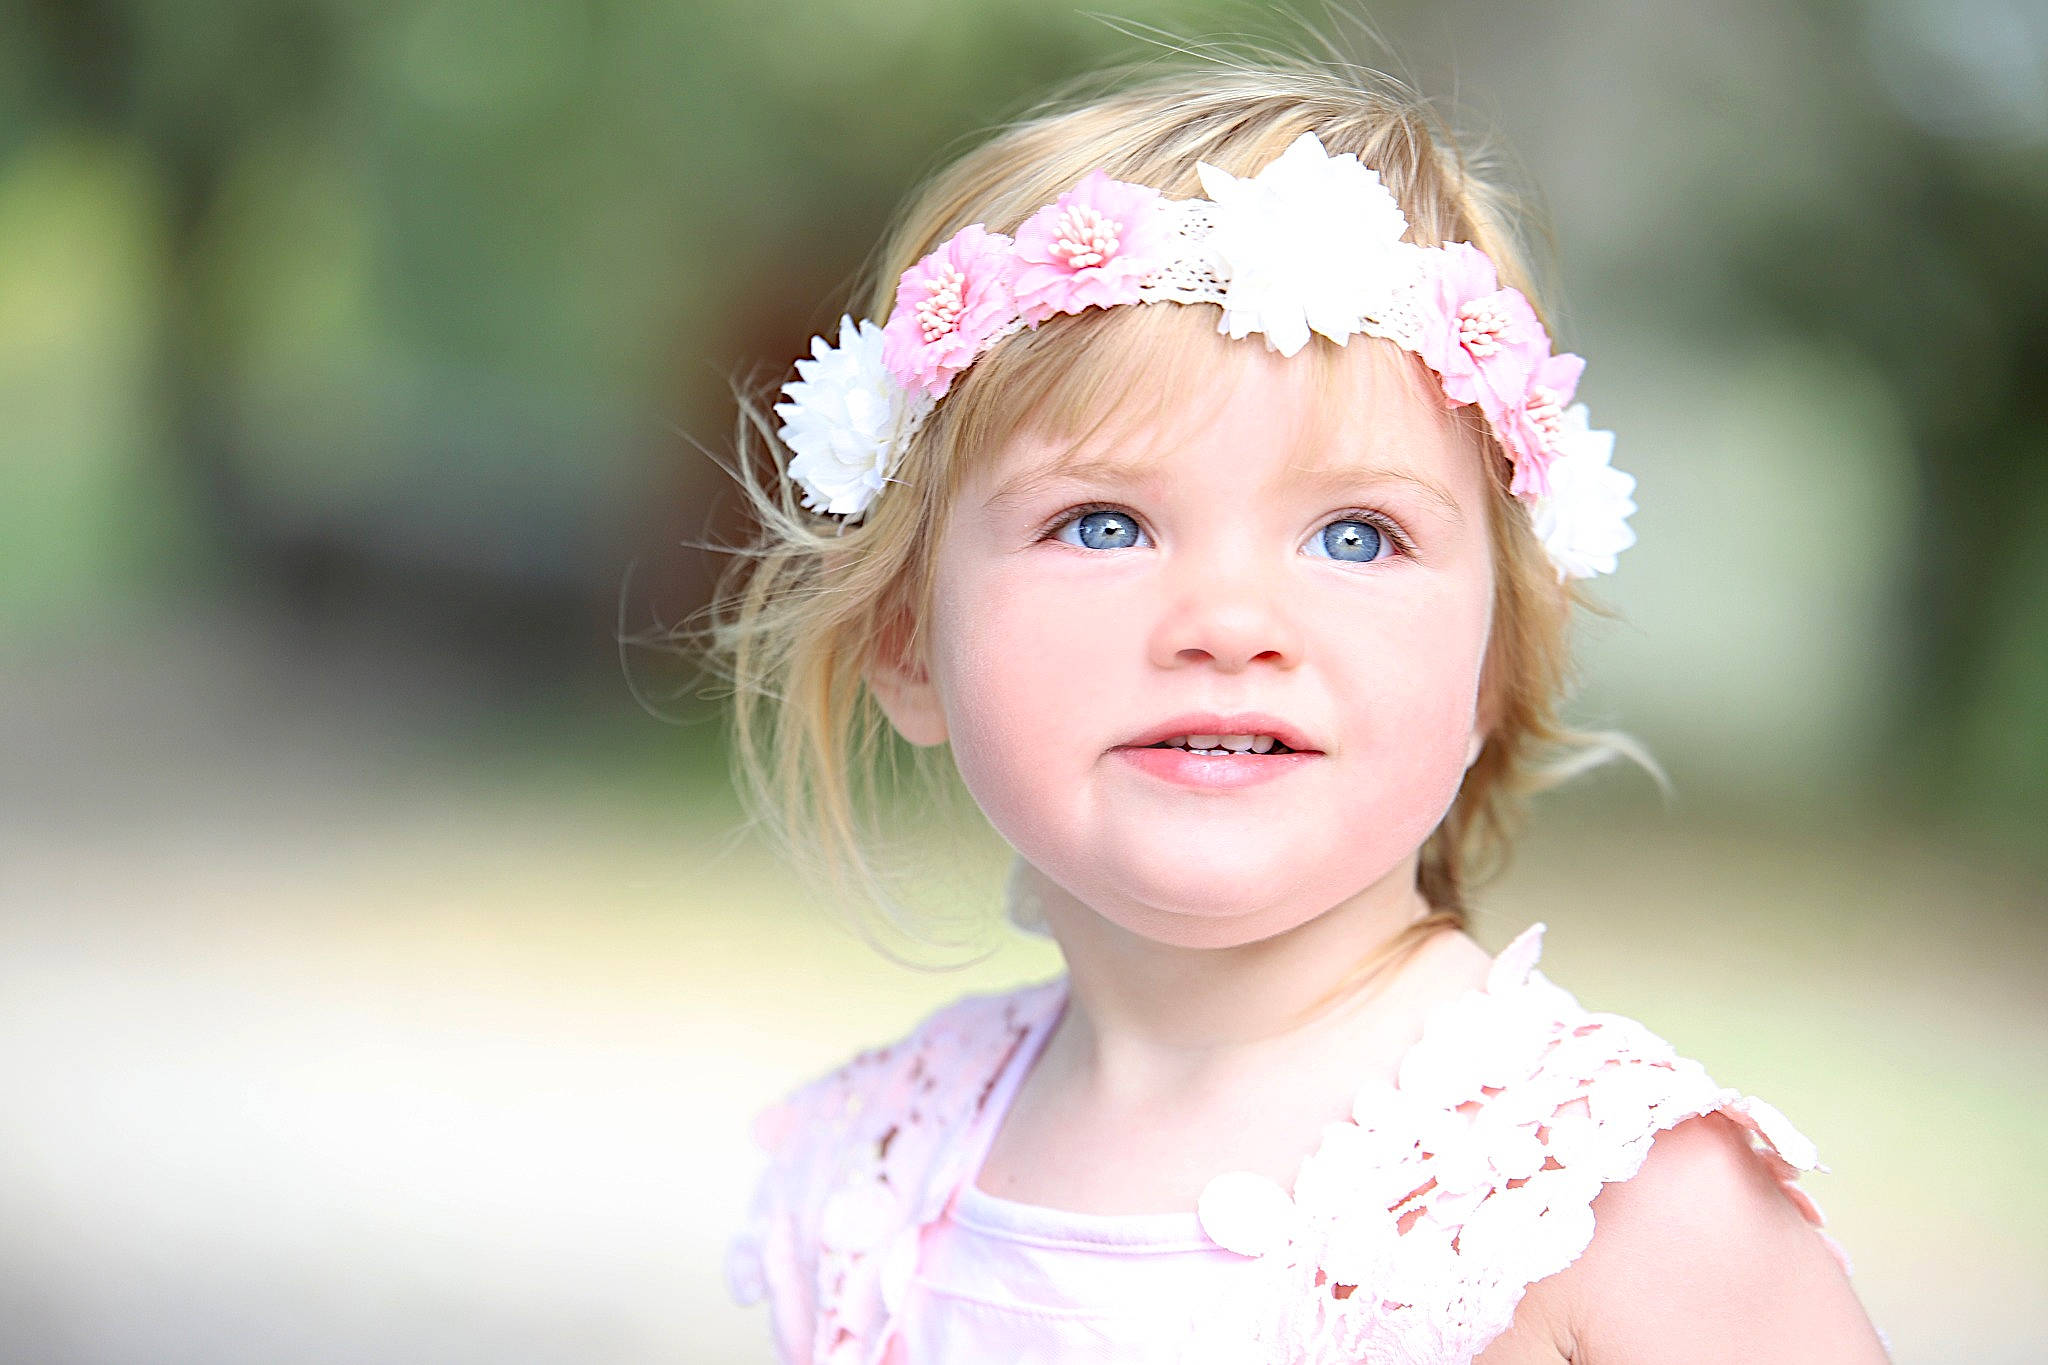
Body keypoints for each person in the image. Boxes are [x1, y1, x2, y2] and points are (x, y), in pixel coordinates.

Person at [709, 52, 1889, 1365]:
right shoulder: (880, 1175)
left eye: (1356, 536)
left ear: (1498, 658)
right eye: (1104, 522)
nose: (1229, 620)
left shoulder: (1609, 1203)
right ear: (904, 642)